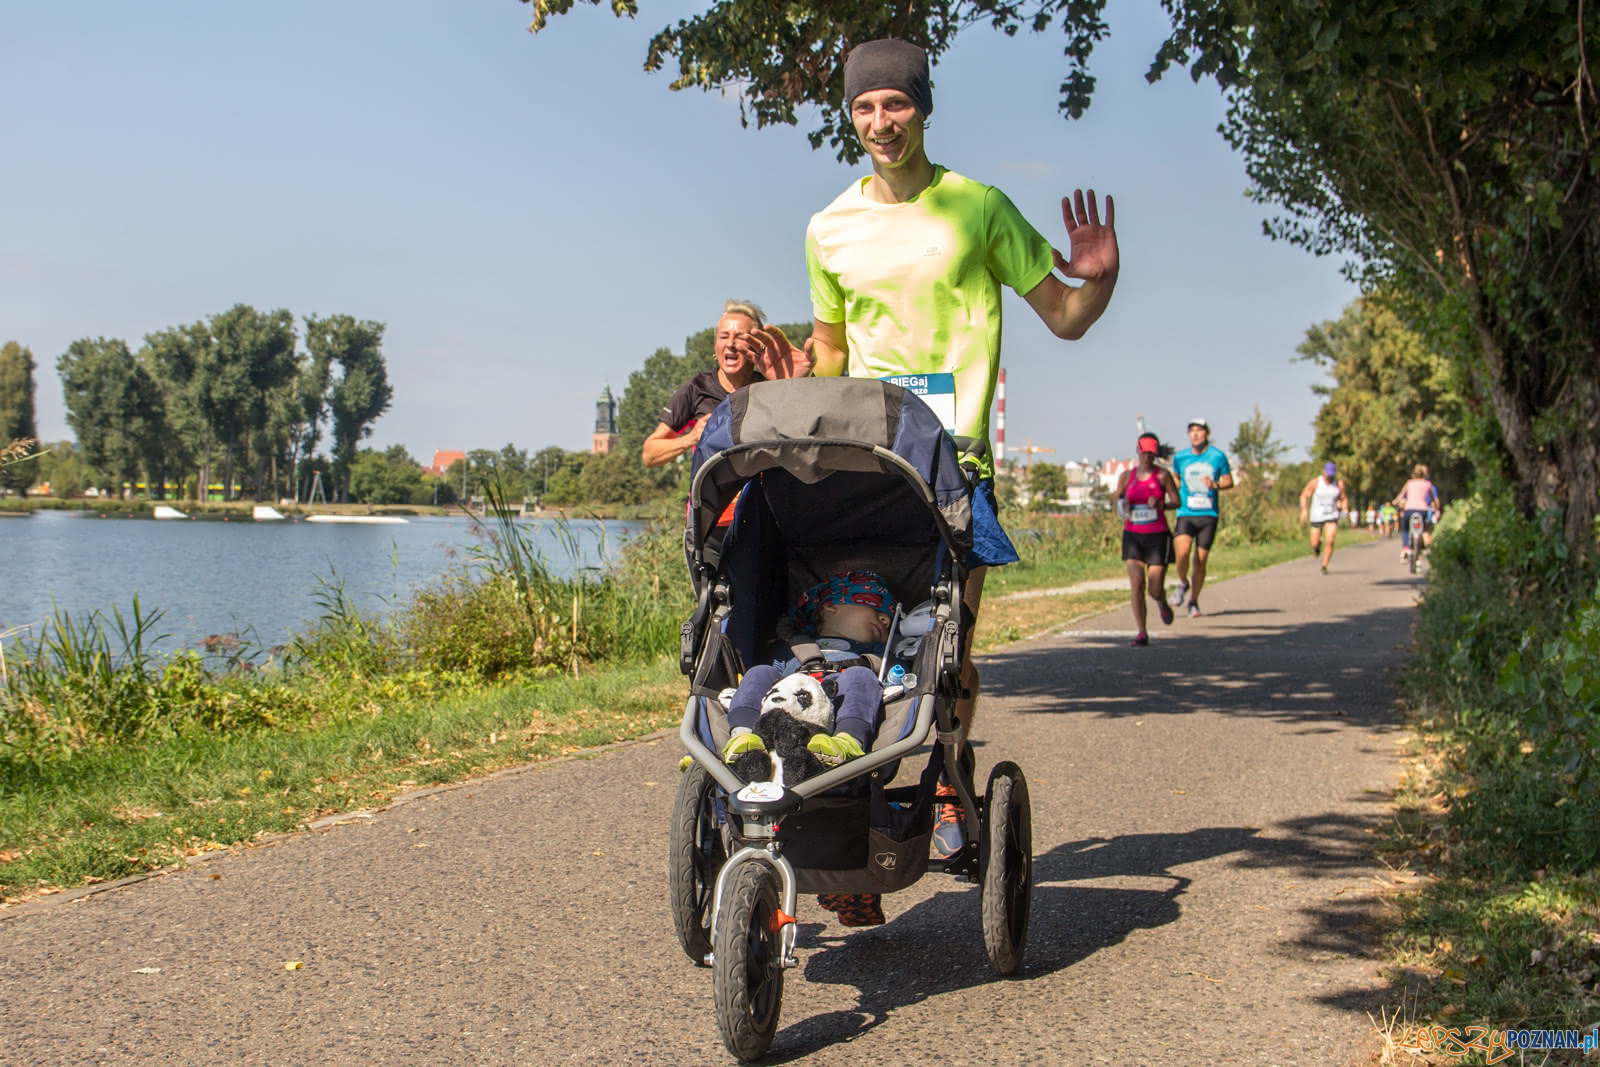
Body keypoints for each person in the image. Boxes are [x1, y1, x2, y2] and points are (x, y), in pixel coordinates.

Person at [745, 37, 1120, 861]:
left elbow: (1062, 314)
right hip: (869, 464)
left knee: (949, 652)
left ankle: (949, 769)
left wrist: (1101, 282)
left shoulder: (977, 207)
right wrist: (793, 401)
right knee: (861, 643)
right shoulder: (829, 228)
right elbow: (834, 357)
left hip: (956, 463)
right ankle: (851, 819)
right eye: (865, 107)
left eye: (897, 104)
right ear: (851, 116)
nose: (881, 121)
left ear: (924, 106)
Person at [721, 570, 897, 927]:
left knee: (861, 678)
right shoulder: (788, 651)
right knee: (757, 673)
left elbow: (897, 687)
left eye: (890, 614)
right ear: (828, 608)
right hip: (773, 729)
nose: (884, 617)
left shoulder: (878, 657)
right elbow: (761, 681)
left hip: (830, 743)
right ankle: (742, 736)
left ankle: (849, 743)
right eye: (872, 604)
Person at [640, 300, 767, 468]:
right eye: (723, 336)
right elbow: (649, 454)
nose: (730, 344)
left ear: (756, 344)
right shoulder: (697, 388)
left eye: (740, 337)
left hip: (757, 493)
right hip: (707, 493)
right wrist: (692, 438)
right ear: (716, 346)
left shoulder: (769, 388)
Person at [1116, 434, 1180, 646]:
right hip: (1133, 534)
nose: (1146, 457)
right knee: (1136, 582)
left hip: (1157, 536)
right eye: (1143, 452)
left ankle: (1161, 602)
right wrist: (1123, 505)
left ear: (1155, 454)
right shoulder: (1127, 476)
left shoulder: (1162, 476)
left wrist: (1161, 505)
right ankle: (1141, 632)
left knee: (1154, 587)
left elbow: (1176, 501)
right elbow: (1117, 501)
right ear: (1138, 451)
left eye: (1150, 453)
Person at [1169, 419, 1234, 617]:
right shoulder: (1180, 457)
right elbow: (1176, 477)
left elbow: (1229, 481)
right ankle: (1182, 583)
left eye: (1199, 431)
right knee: (1181, 553)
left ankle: (1193, 601)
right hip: (1186, 513)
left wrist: (1215, 485)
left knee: (1200, 560)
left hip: (1208, 514)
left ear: (1207, 433)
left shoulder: (1217, 456)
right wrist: (1177, 487)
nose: (1195, 434)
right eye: (1192, 431)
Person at [1299, 461, 1349, 574]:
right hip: (1317, 516)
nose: (1330, 477)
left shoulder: (1339, 484)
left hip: (1332, 515)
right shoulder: (1315, 482)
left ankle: (1324, 565)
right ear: (1324, 472)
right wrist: (1304, 510)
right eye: (1328, 474)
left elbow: (1344, 498)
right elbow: (1304, 496)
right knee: (1314, 543)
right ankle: (1317, 548)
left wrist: (1345, 510)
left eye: (1332, 474)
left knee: (1330, 540)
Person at [1393, 464, 1441, 561]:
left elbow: (1400, 496)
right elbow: (1433, 499)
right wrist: (1436, 508)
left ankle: (1405, 548)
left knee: (1406, 529)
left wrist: (1396, 501)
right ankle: (1422, 547)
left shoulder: (1409, 483)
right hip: (1422, 510)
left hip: (1409, 509)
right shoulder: (1428, 484)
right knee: (1423, 529)